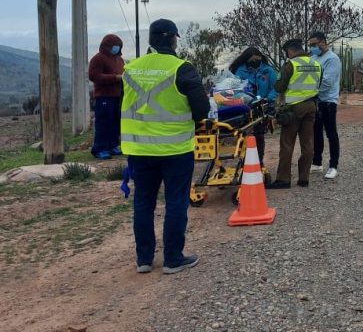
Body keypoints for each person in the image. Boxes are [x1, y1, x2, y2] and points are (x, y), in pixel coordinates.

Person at [121, 19, 209, 274]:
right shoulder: (182, 68)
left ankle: (144, 260)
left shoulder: (130, 69)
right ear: (173, 39)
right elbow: (201, 108)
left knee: (143, 203)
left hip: (139, 150)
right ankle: (172, 258)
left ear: (151, 40)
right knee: (176, 202)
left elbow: (123, 104)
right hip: (175, 149)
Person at [267, 39, 321, 189]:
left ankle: (283, 179)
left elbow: (279, 87)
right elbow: (319, 84)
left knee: (287, 144)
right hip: (311, 107)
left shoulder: (290, 65)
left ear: (290, 50)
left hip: (293, 109)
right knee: (308, 144)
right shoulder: (316, 64)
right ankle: (304, 178)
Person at [229, 47, 278, 162]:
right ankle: (245, 161)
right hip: (245, 106)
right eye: (252, 60)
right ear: (246, 60)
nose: (255, 62)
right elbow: (235, 88)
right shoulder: (240, 71)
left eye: (257, 59)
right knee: (244, 134)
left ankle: (259, 161)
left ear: (261, 58)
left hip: (262, 106)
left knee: (259, 135)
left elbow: (275, 88)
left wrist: (268, 99)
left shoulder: (268, 70)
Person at [308, 31, 342, 180]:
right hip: (315, 101)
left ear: (323, 42)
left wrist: (310, 91)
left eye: (314, 44)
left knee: (331, 133)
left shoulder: (332, 59)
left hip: (327, 101)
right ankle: (317, 162)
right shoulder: (313, 58)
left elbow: (327, 82)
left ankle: (333, 166)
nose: (312, 47)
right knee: (316, 133)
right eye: (310, 45)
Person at [88, 34, 125, 160]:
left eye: (118, 46)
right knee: (104, 123)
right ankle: (100, 148)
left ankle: (113, 145)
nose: (116, 48)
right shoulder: (98, 59)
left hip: (117, 95)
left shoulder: (119, 60)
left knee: (115, 122)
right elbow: (94, 76)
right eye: (114, 46)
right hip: (103, 96)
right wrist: (115, 78)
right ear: (107, 46)